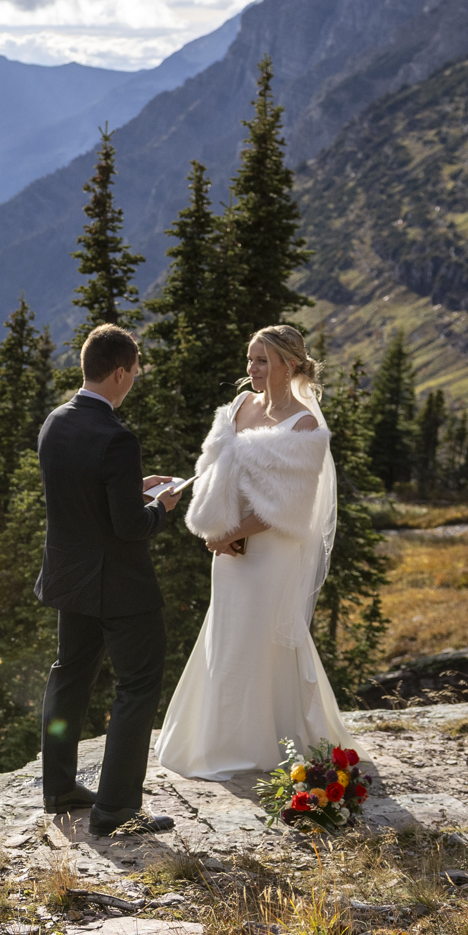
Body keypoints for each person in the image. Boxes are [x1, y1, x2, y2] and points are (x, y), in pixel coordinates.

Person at [153, 324, 349, 780]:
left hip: (269, 553)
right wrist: (192, 499)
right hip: (228, 548)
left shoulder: (304, 424)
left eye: (262, 360)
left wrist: (231, 533)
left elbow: (289, 507)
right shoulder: (239, 406)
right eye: (250, 359)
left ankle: (260, 745)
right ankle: (215, 737)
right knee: (227, 634)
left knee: (259, 640)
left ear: (290, 364)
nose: (252, 368)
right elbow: (216, 468)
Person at [34, 323, 182, 837]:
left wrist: (129, 487)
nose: (133, 382)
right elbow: (129, 527)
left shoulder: (56, 422)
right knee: (137, 685)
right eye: (134, 374)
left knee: (68, 678)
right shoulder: (117, 438)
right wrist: (160, 507)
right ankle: (116, 809)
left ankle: (58, 789)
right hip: (120, 587)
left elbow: (77, 493)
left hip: (69, 580)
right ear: (119, 372)